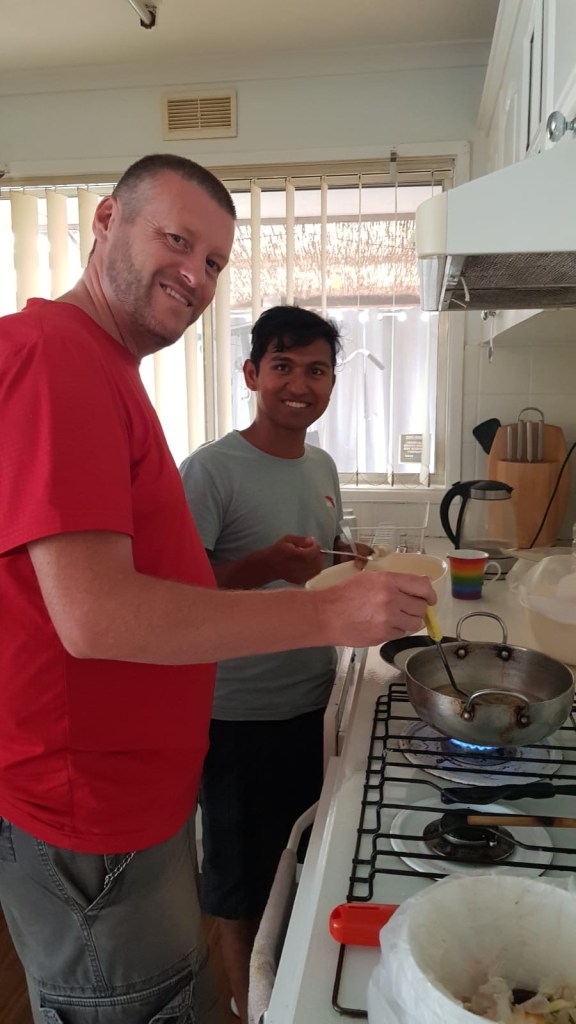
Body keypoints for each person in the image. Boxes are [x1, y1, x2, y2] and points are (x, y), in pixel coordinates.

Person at [0, 153, 436, 1024]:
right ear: (105, 221)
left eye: (214, 262)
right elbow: (95, 616)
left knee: (168, 998)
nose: (196, 276)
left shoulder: (104, 369)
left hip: (133, 793)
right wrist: (324, 610)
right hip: (90, 804)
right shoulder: (55, 356)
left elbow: (150, 588)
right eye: (177, 240)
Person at [179, 304, 363, 1022]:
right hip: (236, 716)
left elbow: (323, 554)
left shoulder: (321, 464)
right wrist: (263, 566)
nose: (299, 384)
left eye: (316, 370)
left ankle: (287, 995)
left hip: (312, 703)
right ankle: (245, 1007)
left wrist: (354, 558)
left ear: (332, 383)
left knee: (301, 870)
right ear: (252, 373)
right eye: (282, 366)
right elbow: (176, 594)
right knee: (240, 888)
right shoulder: (209, 471)